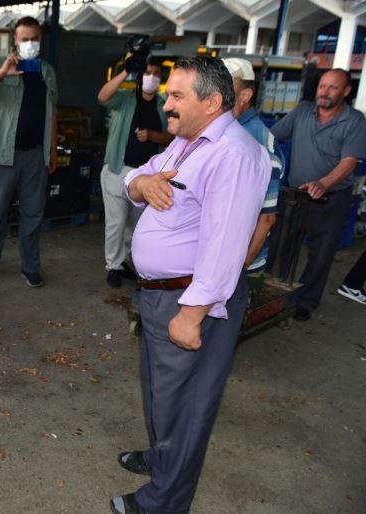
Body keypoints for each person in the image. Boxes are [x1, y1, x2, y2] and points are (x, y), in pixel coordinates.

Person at [111, 56, 270, 514]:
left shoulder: (234, 154)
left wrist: (193, 313)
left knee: (185, 406)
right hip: (159, 294)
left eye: (177, 96)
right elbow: (132, 177)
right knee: (160, 394)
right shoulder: (186, 143)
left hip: (190, 302)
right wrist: (143, 184)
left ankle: (164, 501)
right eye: (168, 95)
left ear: (212, 102)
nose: (167, 104)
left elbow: (226, 244)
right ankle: (162, 459)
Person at [0, 16, 58, 287]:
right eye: (24, 39)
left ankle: (30, 267)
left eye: (34, 38)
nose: (30, 43)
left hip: (35, 155)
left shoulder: (47, 72)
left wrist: (52, 150)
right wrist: (1, 73)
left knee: (33, 214)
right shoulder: (0, 65)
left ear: (40, 39)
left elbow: (53, 113)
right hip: (3, 155)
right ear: (15, 40)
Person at [270, 69, 366, 321]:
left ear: (346, 91)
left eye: (333, 87)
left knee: (321, 254)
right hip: (295, 196)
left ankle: (305, 301)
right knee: (280, 246)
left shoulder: (354, 120)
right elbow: (271, 136)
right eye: (322, 86)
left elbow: (349, 161)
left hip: (331, 199)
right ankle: (272, 296)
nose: (324, 92)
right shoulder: (302, 111)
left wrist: (323, 183)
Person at [97, 54, 171, 288]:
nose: (151, 78)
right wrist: (125, 71)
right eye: (147, 73)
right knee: (116, 223)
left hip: (146, 177)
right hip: (118, 169)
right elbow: (103, 97)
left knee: (135, 226)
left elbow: (171, 137)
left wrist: (152, 136)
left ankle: (124, 261)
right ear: (139, 76)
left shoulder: (163, 106)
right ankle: (113, 265)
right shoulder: (125, 98)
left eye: (156, 74)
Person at [223, 57, 283, 273]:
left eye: (226, 89)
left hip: (237, 265)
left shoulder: (258, 142)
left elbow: (266, 218)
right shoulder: (222, 128)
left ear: (245, 95)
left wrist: (243, 264)